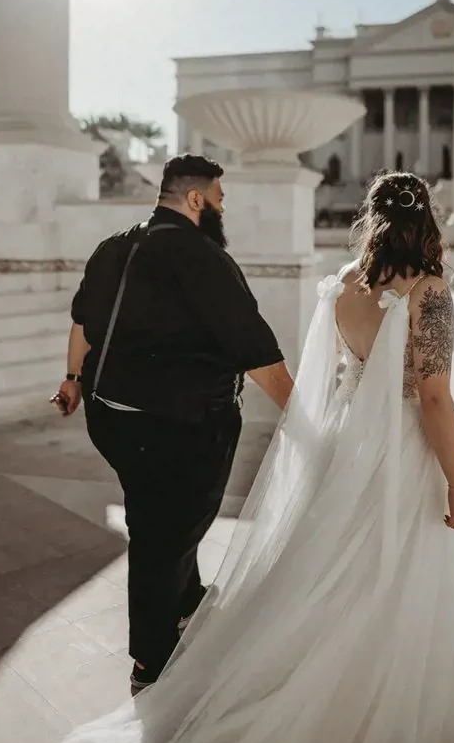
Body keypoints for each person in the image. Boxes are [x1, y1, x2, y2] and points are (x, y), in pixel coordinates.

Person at [0, 171, 454, 743]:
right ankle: (373, 711)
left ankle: (313, 688)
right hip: (399, 451)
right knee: (390, 577)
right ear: (427, 223)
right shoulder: (429, 291)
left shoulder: (342, 284)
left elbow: (335, 375)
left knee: (336, 574)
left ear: (372, 219)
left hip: (349, 445)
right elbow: (435, 397)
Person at [54, 154, 294, 690]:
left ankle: (187, 599)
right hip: (181, 428)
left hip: (110, 417)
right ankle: (150, 660)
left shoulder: (113, 246)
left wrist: (71, 380)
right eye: (219, 199)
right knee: (166, 534)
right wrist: (307, 418)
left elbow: (82, 324)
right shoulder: (202, 257)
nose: (222, 209)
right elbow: (258, 354)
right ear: (195, 199)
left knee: (157, 515)